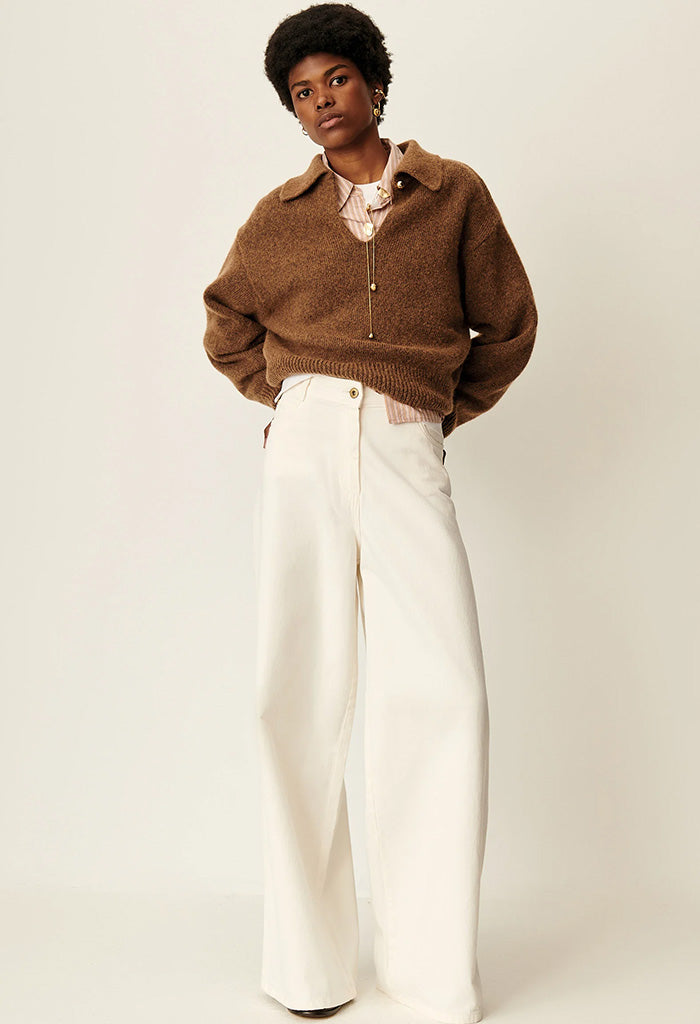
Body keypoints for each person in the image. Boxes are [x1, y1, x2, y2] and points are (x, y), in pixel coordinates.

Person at [202, 4, 538, 1021]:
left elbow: (508, 324)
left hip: (403, 440)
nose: (321, 103)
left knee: (443, 690)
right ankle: (308, 969)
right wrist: (290, 398)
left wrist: (433, 409)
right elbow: (225, 321)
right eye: (300, 93)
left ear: (375, 81)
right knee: (295, 691)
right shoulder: (279, 215)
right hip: (305, 445)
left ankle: (430, 972)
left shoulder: (453, 194)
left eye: (335, 79)